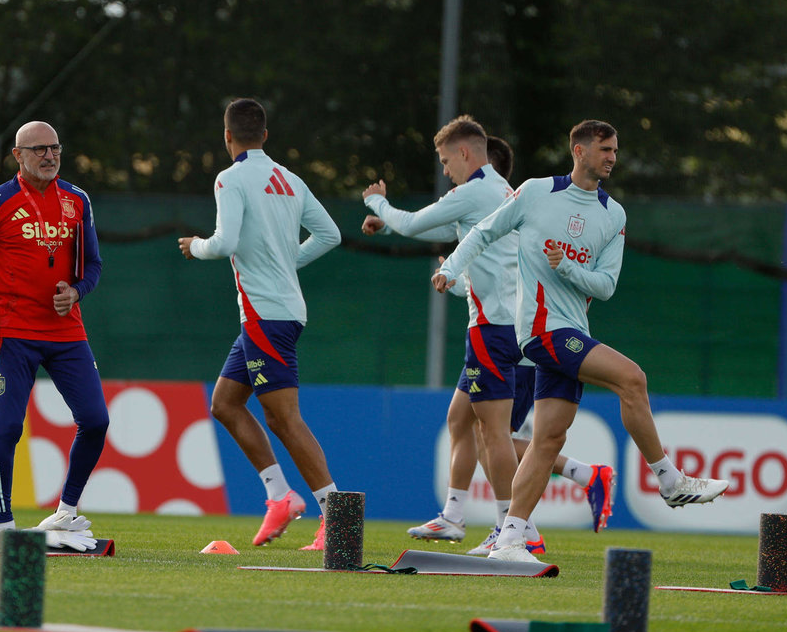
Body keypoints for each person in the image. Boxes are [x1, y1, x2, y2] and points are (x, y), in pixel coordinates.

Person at [433, 119, 729, 563]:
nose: (612, 157)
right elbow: (484, 231)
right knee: (632, 378)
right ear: (579, 150)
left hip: (573, 332)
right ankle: (669, 481)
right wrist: (452, 269)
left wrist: (566, 267)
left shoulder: (614, 214)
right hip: (540, 331)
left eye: (615, 150)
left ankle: (511, 539)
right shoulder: (535, 192)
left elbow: (606, 286)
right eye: (605, 149)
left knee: (548, 439)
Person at [362, 121, 613, 556]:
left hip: (496, 327)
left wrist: (378, 204)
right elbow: (482, 252)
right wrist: (453, 274)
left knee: (491, 433)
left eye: (445, 162)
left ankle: (514, 526)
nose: (446, 173)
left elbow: (416, 222)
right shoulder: (500, 191)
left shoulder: (477, 190)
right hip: (507, 321)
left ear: (464, 154)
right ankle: (455, 516)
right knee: (462, 420)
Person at [178, 98, 342, 550]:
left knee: (284, 419)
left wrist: (195, 247)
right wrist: (290, 261)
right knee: (225, 404)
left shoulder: (229, 179)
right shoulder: (290, 179)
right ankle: (279, 496)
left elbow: (224, 241)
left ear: (227, 136)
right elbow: (331, 235)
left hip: (266, 315)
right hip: (274, 313)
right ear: (265, 136)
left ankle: (337, 517)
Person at [0, 121, 108, 552]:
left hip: (67, 331)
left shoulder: (77, 200)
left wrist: (76, 291)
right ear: (18, 155)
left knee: (96, 420)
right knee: (9, 427)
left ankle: (66, 511)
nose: (49, 156)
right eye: (38, 150)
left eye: (55, 148)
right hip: (13, 333)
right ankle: (0, 526)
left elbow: (93, 265)